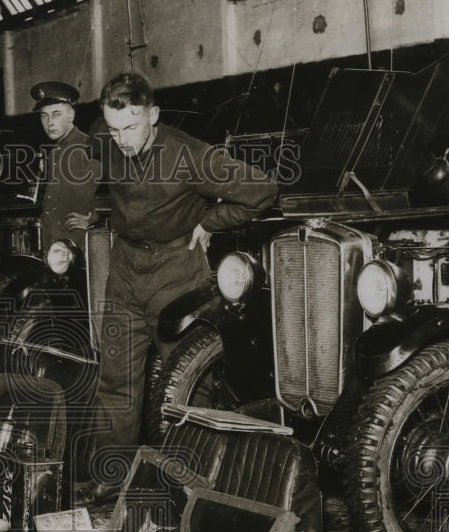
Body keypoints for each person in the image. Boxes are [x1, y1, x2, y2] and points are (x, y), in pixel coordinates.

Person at [81, 71, 279, 504]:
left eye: (131, 127)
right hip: (124, 270)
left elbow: (261, 189)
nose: (122, 140)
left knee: (187, 384)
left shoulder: (189, 155)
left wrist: (210, 221)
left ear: (153, 115)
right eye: (114, 129)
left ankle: (190, 484)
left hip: (176, 272)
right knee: (115, 378)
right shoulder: (103, 137)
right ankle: (112, 474)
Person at [29, 81, 99, 245]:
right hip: (53, 242)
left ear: (71, 115)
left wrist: (94, 220)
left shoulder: (88, 147)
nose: (49, 122)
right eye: (44, 116)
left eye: (56, 115)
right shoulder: (54, 151)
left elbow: (113, 190)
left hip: (79, 244)